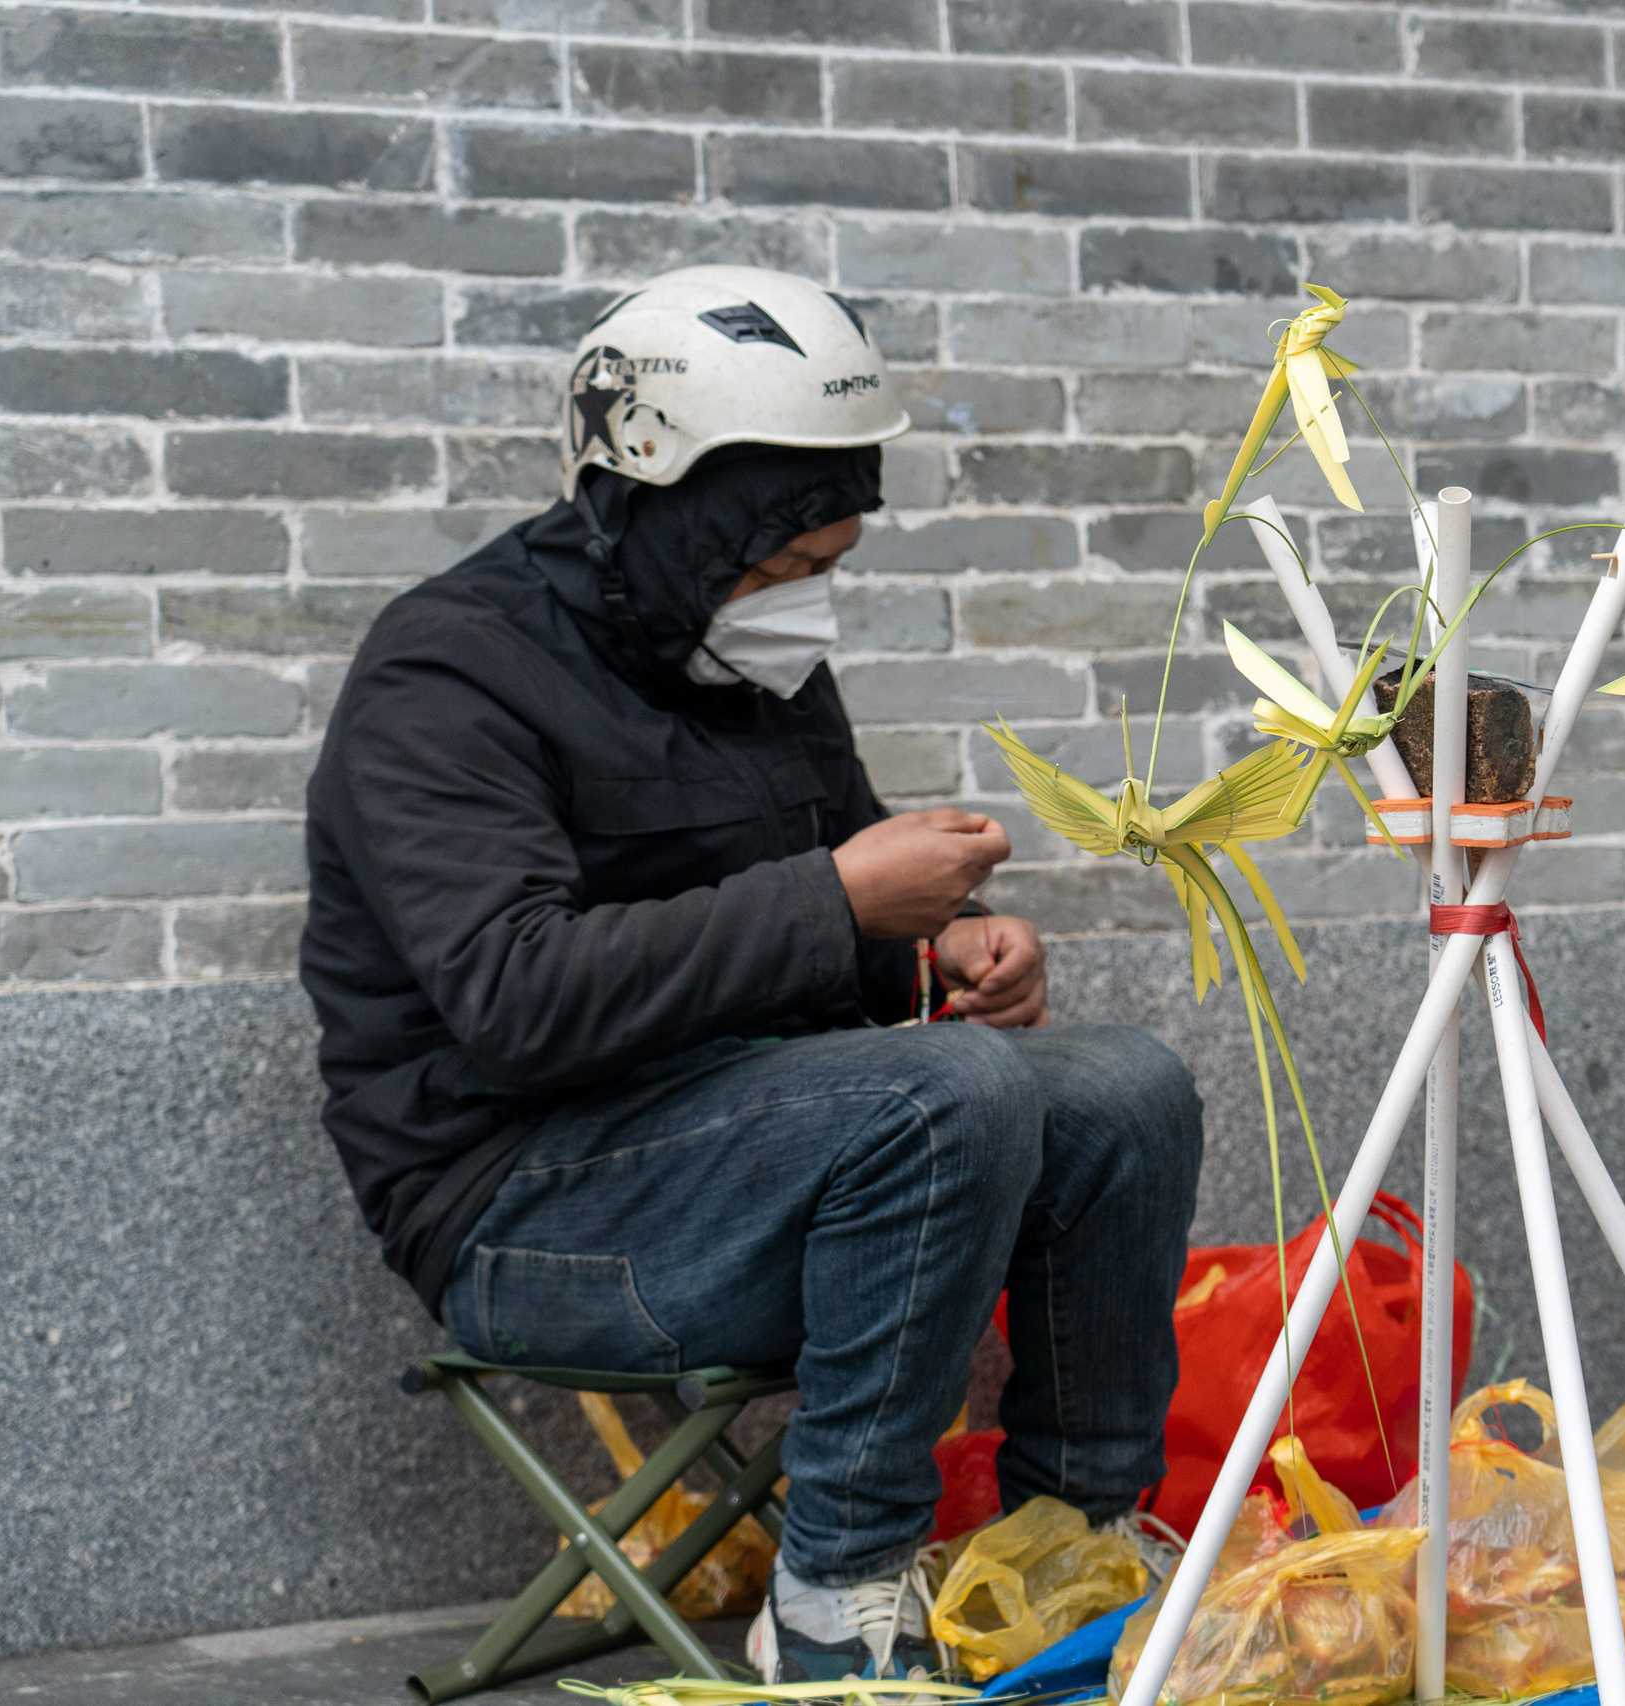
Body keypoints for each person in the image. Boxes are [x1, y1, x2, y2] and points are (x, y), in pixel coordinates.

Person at [301, 265, 1204, 1685]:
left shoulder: (744, 655)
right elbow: (517, 999)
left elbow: (836, 912)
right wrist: (847, 897)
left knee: (1125, 1086)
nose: (806, 607)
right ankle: (837, 1592)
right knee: (946, 1096)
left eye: (829, 567)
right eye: (780, 567)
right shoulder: (445, 676)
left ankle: (1065, 1548)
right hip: (520, 1197)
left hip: (746, 1128)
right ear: (663, 512)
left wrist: (944, 946)